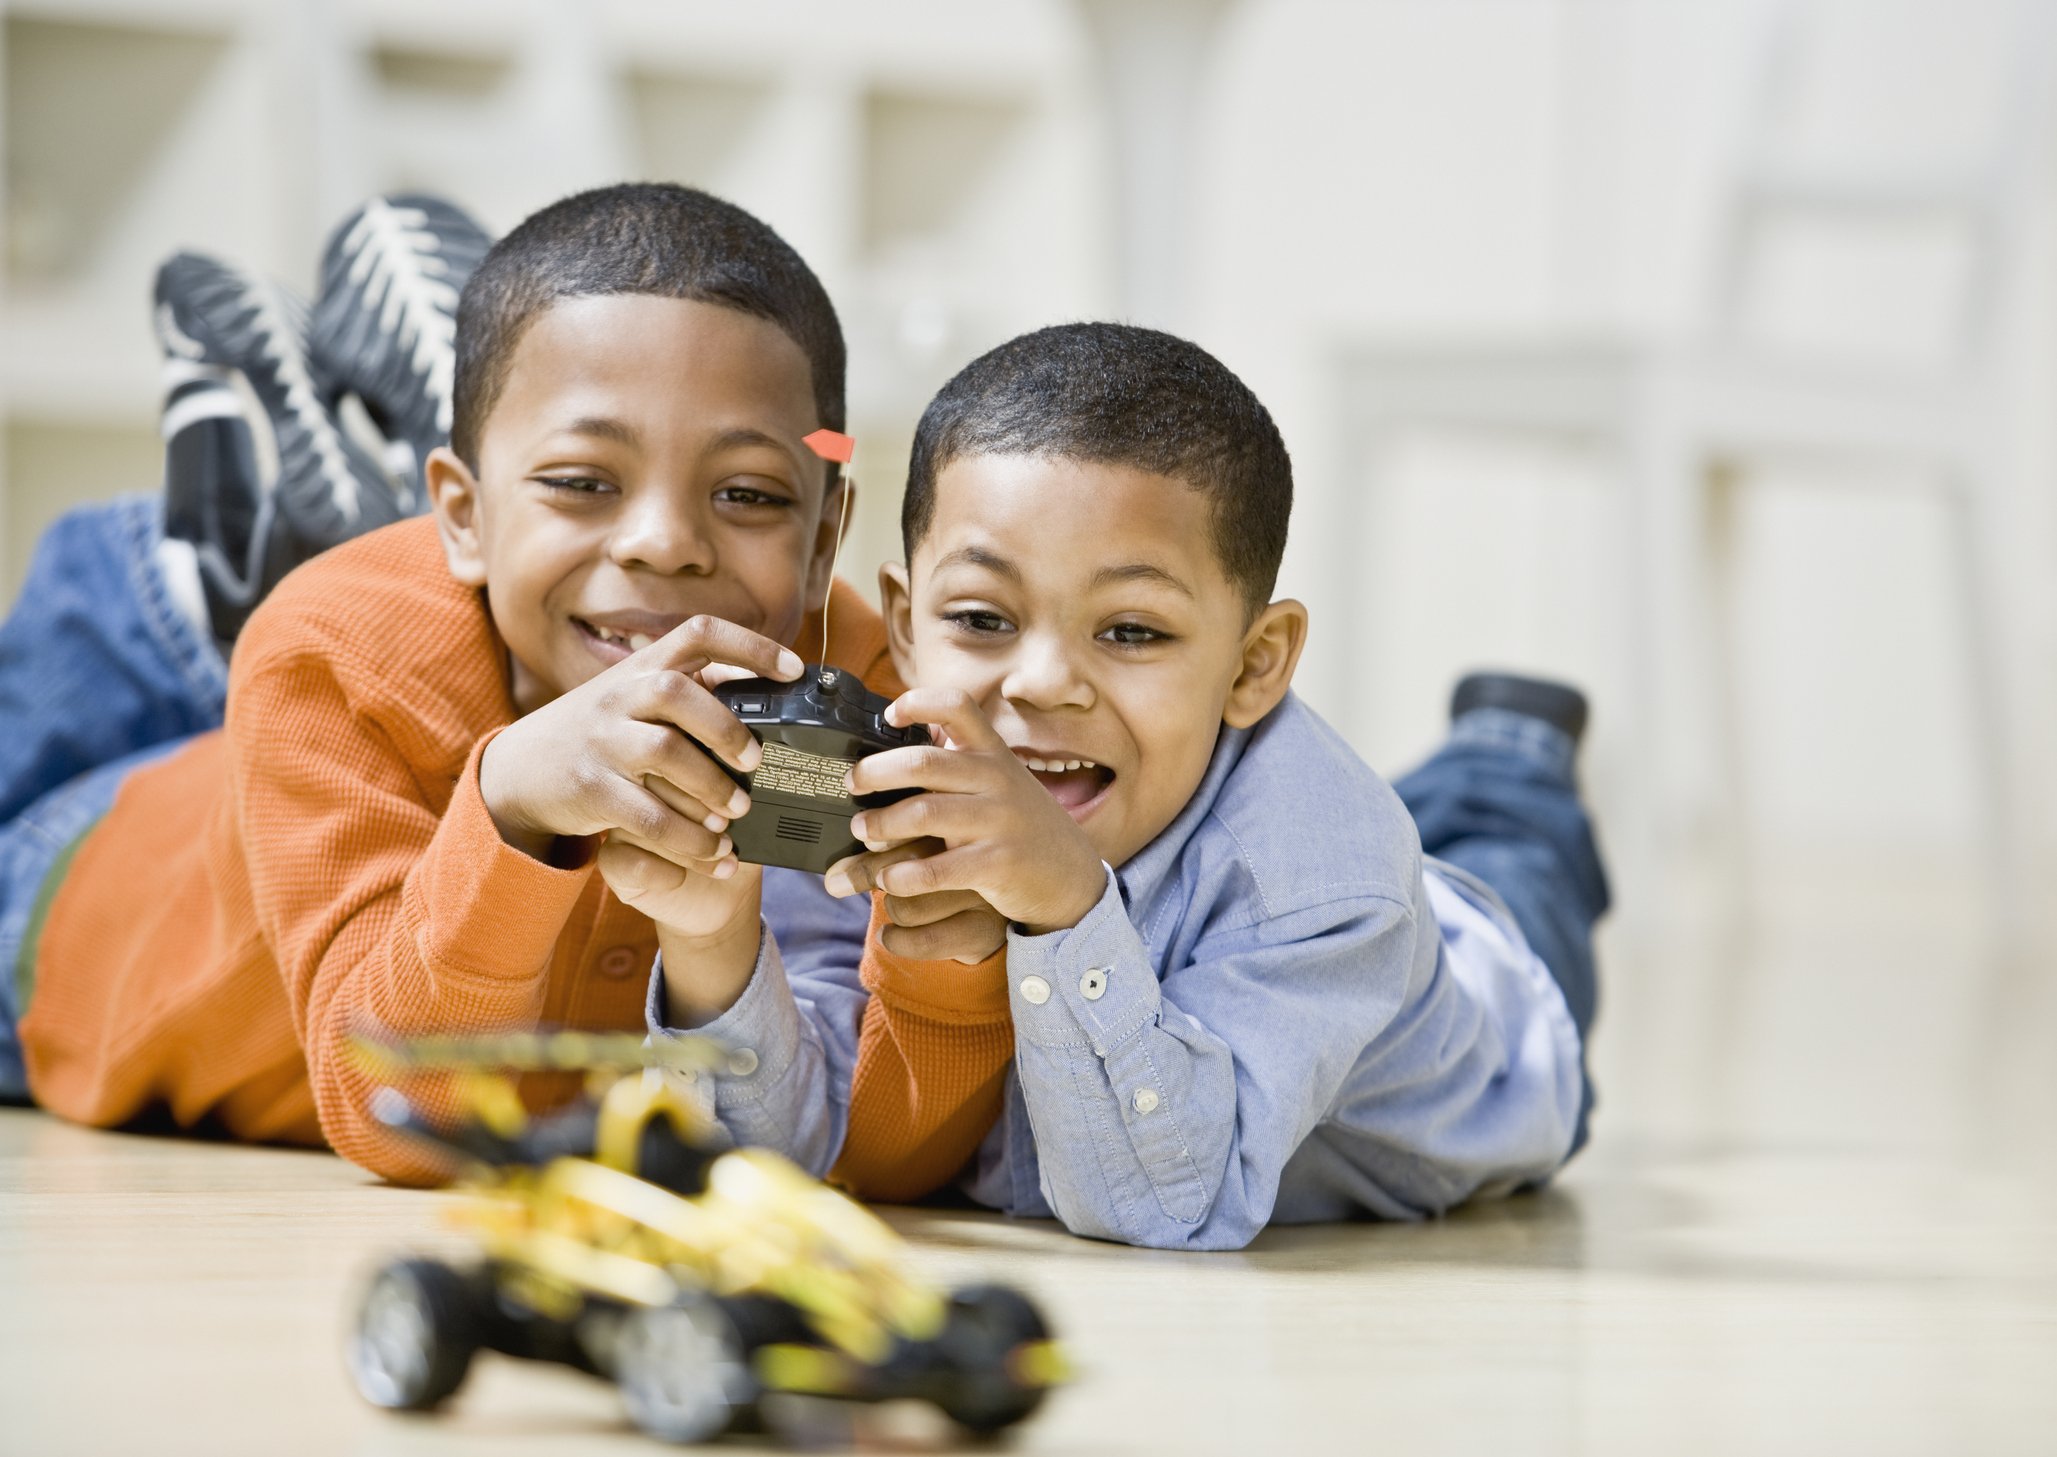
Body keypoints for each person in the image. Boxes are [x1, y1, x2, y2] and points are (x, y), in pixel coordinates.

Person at [649, 322, 1610, 1250]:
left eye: (1131, 631)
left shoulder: (1327, 874)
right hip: (1250, 819)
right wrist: (711, 944)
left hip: (1494, 1023)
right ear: (905, 623)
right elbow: (774, 1160)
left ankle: (1509, 749)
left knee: (1509, 858)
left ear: (1254, 662)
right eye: (982, 618)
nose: (1040, 682)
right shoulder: (863, 777)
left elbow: (1168, 1205)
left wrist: (1065, 906)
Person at [5, 183, 891, 1184]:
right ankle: (173, 574)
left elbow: (888, 1119)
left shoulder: (855, 683)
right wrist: (509, 800)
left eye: (748, 494)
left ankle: (343, 508)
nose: (666, 541)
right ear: (460, 515)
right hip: (69, 915)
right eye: (584, 479)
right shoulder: (327, 648)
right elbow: (398, 1113)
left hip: (332, 717)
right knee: (185, 610)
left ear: (823, 541)